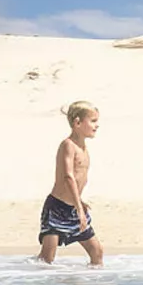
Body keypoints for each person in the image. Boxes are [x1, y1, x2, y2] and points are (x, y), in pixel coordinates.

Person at [36, 101, 104, 267]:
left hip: (74, 207)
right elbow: (68, 177)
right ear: (78, 123)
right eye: (93, 121)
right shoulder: (68, 145)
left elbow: (80, 177)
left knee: (97, 252)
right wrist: (79, 209)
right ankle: (28, 276)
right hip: (57, 209)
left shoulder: (83, 147)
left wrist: (79, 202)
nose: (97, 125)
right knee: (47, 258)